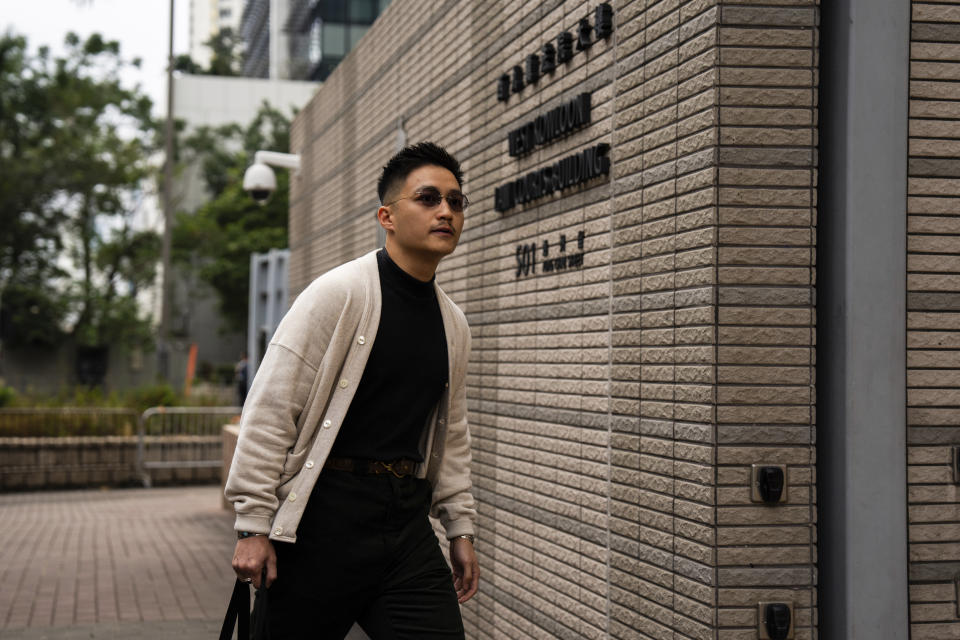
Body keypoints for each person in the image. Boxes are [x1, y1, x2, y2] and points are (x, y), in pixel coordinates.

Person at [225, 142, 478, 639]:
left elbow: (452, 433)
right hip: (323, 521)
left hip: (405, 523)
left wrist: (459, 526)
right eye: (428, 198)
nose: (446, 211)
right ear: (387, 215)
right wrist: (253, 525)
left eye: (455, 201)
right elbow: (272, 408)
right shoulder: (338, 294)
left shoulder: (453, 324)